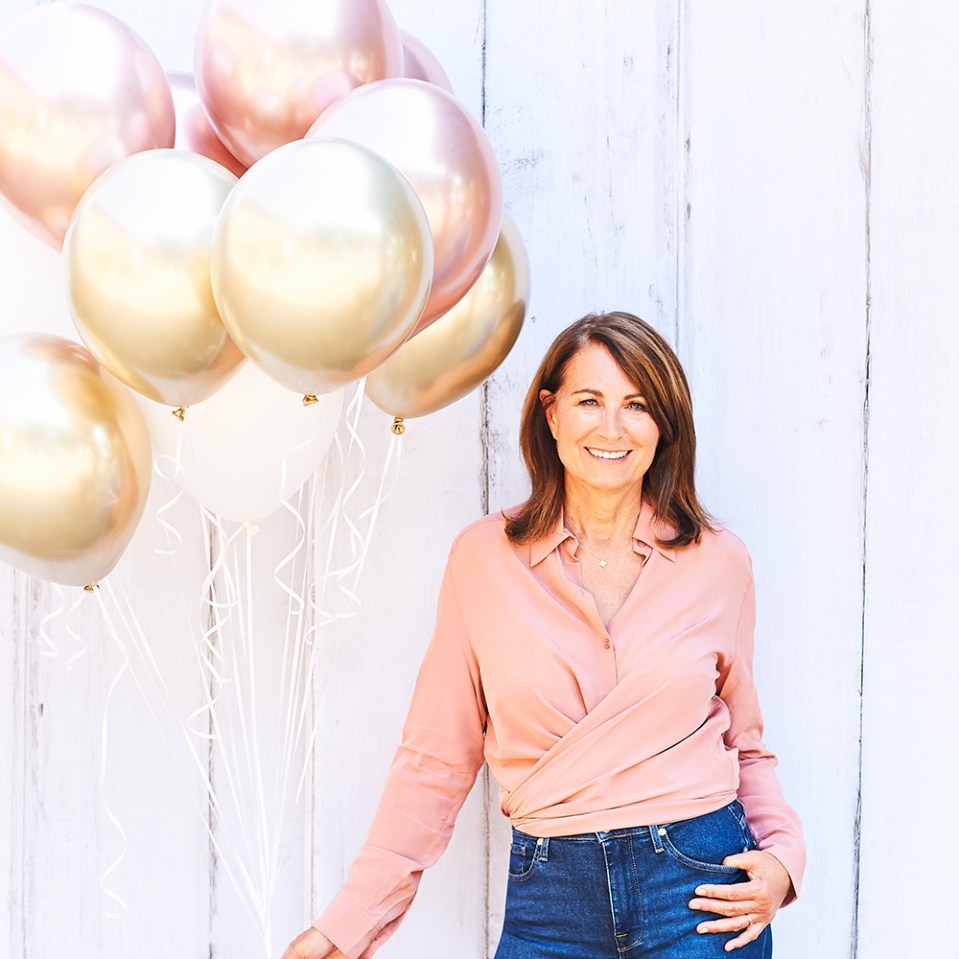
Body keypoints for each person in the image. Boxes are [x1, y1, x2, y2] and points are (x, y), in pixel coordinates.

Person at [282, 312, 804, 959]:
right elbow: (435, 758)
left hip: (698, 890)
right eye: (589, 400)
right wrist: (348, 923)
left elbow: (744, 743)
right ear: (550, 412)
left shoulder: (718, 561)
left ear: (663, 424)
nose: (611, 428)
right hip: (549, 897)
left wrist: (782, 859)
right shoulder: (483, 560)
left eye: (636, 404)